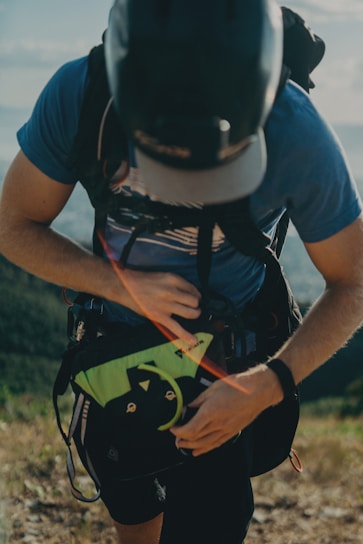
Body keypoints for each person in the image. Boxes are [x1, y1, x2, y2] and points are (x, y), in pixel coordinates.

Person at [1, 1, 363, 543]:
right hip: (115, 362)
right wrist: (115, 284)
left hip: (225, 371)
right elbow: (13, 225)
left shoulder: (294, 130)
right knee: (135, 522)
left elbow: (354, 281)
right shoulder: (84, 95)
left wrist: (267, 385)